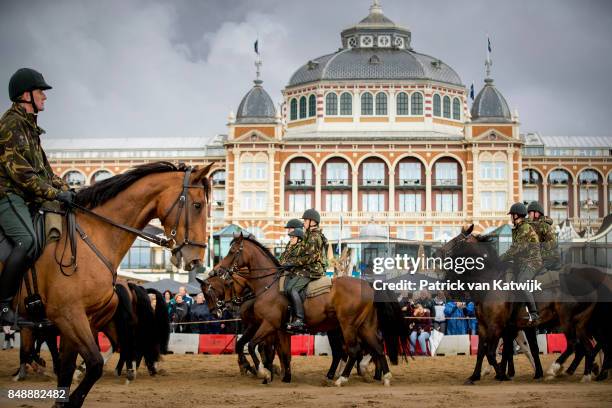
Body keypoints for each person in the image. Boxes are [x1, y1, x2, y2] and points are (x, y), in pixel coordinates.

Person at [0, 68, 75, 326]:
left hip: (25, 197)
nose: (44, 96)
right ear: (26, 95)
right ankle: (3, 304)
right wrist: (55, 193)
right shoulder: (11, 125)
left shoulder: (30, 128)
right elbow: (23, 175)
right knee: (26, 239)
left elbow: (45, 172)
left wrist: (67, 190)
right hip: (7, 195)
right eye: (40, 91)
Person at [284, 208, 328, 332]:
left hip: (312, 269)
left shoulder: (314, 237)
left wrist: (292, 263)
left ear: (312, 221)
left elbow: (310, 257)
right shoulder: (309, 235)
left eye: (305, 220)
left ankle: (299, 319)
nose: (303, 223)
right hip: (306, 268)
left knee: (292, 289)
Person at [500, 202, 542, 323]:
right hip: (522, 262)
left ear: (517, 215)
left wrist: (500, 258)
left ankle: (534, 313)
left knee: (521, 282)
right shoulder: (518, 229)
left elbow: (516, 248)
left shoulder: (524, 228)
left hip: (532, 261)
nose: (511, 217)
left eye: (512, 215)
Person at [527, 201, 561, 271]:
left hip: (549, 258)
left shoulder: (543, 226)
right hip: (545, 257)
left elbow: (548, 246)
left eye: (530, 213)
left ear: (536, 214)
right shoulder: (534, 225)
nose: (528, 216)